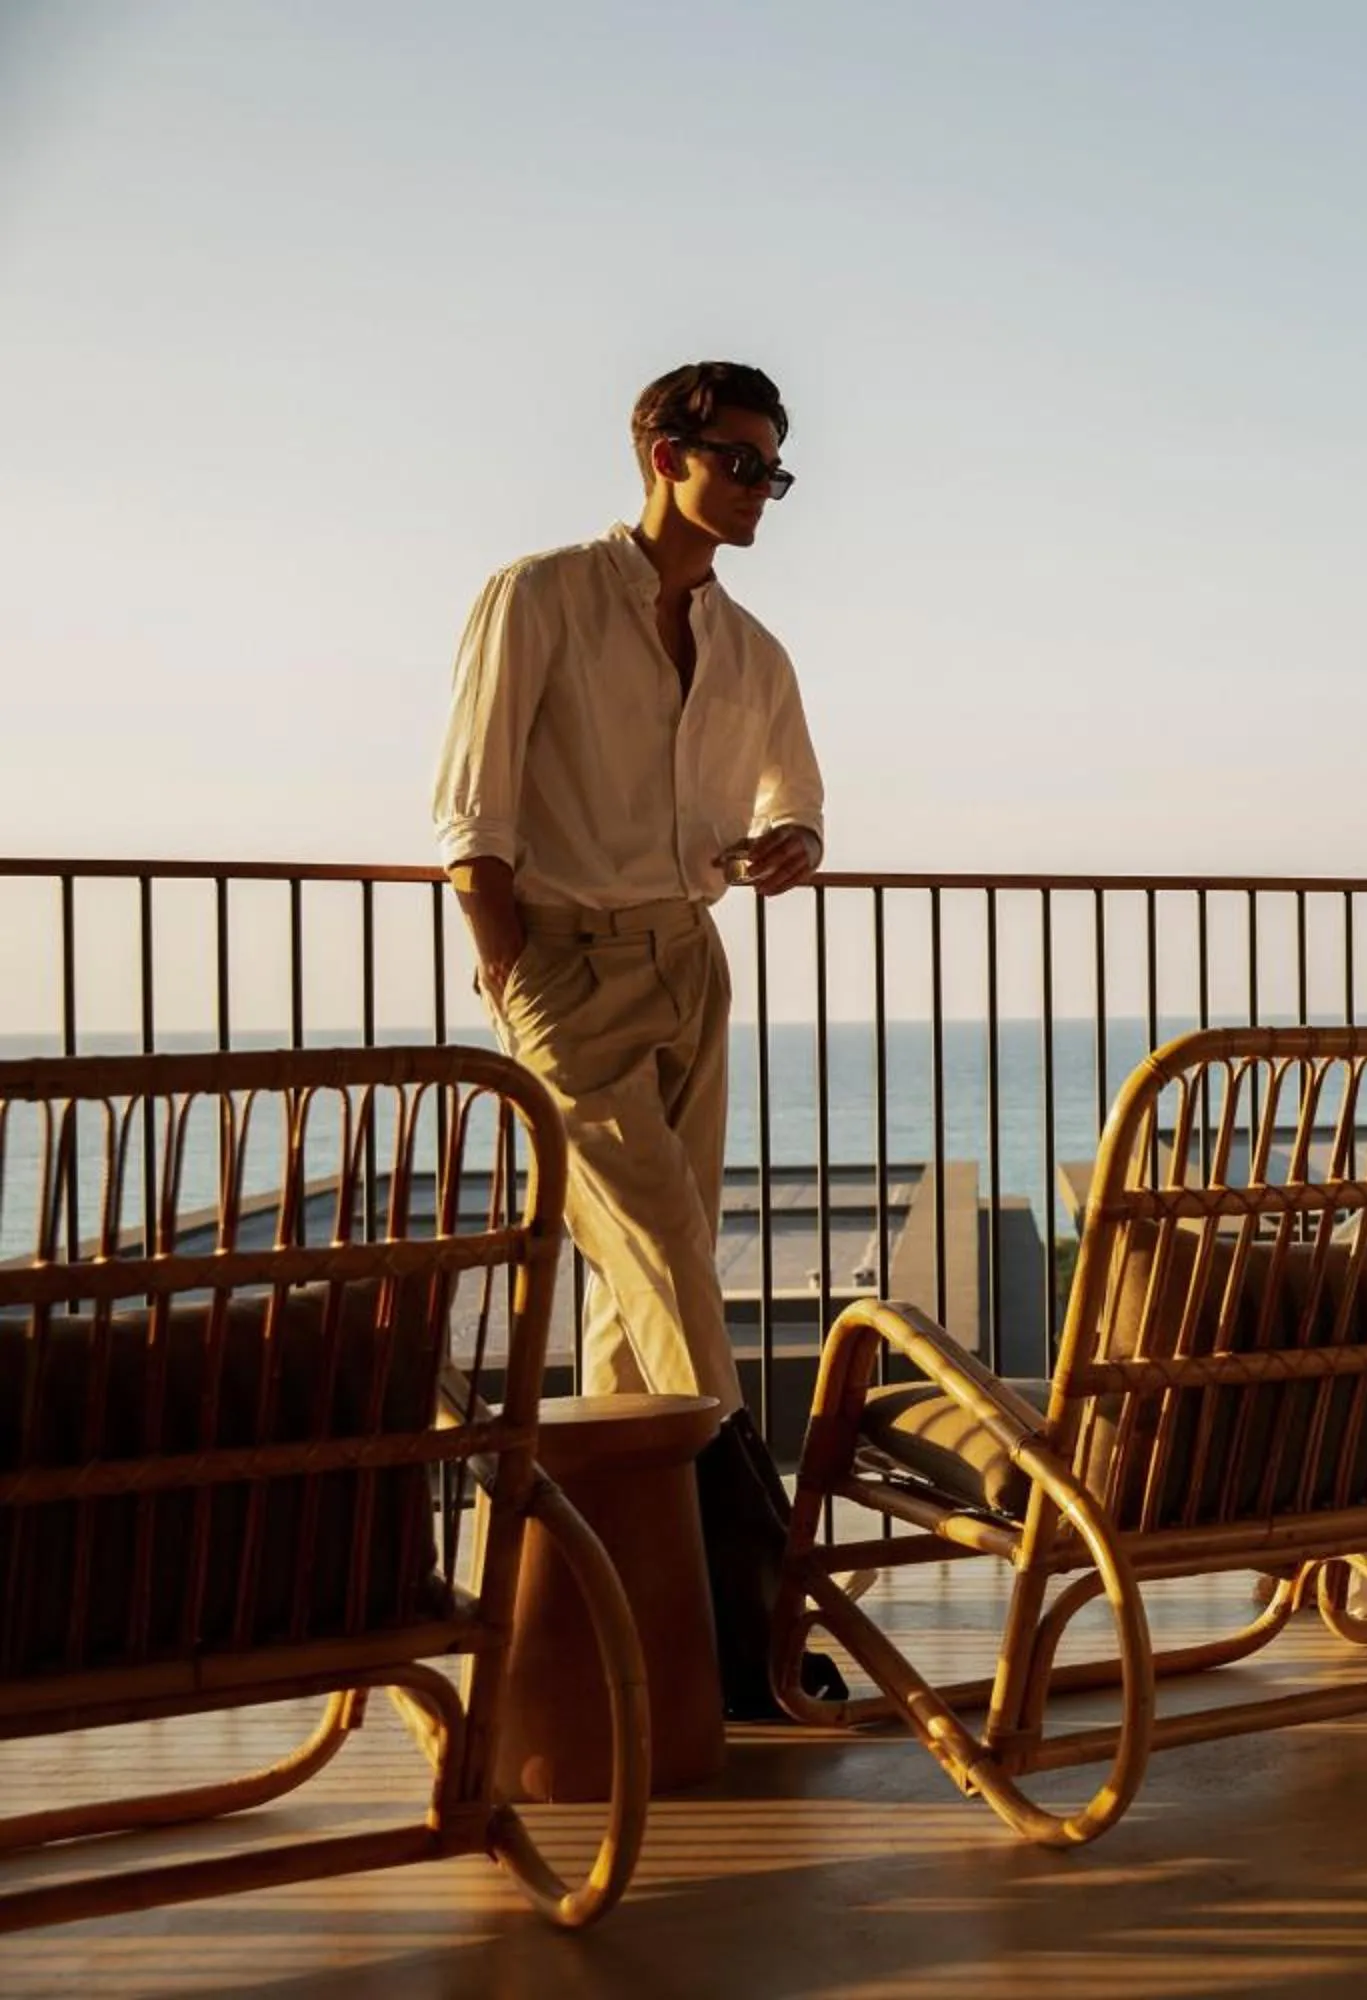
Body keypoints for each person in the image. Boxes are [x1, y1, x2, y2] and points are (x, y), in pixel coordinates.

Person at [430, 360, 840, 1719]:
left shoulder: (749, 647)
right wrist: (510, 971)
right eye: (741, 463)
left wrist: (792, 842)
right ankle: (763, 1593)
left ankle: (639, 1645)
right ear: (662, 452)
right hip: (562, 964)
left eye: (776, 470)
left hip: (689, 959)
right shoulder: (539, 595)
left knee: (630, 1310)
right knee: (668, 1266)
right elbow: (470, 807)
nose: (762, 490)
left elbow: (801, 795)